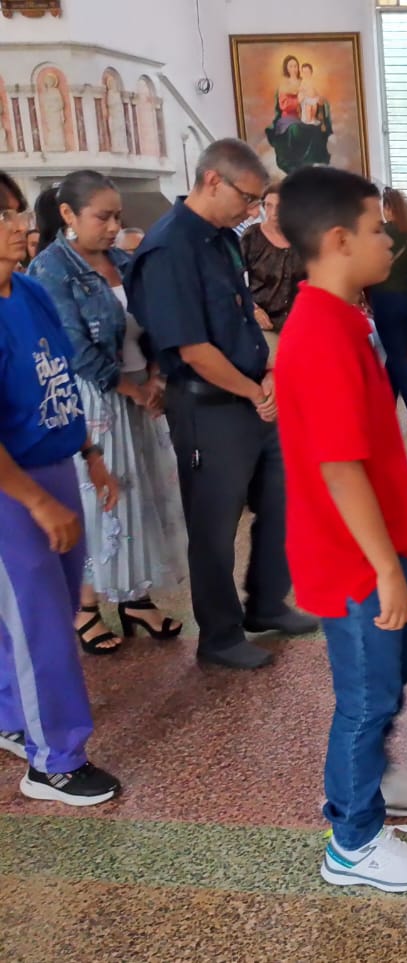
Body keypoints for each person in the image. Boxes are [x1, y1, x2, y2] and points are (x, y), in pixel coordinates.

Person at [275, 165, 407, 894]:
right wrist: (382, 567)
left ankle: (371, 775)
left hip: (380, 544)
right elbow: (340, 468)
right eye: (379, 230)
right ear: (340, 239)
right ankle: (353, 839)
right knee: (366, 695)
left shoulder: (350, 316)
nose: (391, 241)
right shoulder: (318, 331)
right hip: (351, 558)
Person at [126, 138, 318, 671]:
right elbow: (192, 348)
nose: (254, 210)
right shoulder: (170, 247)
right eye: (249, 198)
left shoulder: (220, 238)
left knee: (281, 499)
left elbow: (244, 316)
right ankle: (220, 633)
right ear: (213, 181)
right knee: (214, 523)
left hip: (253, 394)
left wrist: (272, 370)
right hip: (208, 406)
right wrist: (255, 390)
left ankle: (266, 602)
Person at [0, 169, 123, 805]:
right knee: (42, 622)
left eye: (19, 212)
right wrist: (35, 499)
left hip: (53, 468)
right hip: (12, 489)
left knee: (32, 611)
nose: (20, 225)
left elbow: (60, 384)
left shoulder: (28, 292)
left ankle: (17, 721)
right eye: (4, 216)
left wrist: (91, 453)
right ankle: (53, 760)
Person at [28, 172, 184, 655]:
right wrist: (130, 389)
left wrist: (156, 375)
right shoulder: (52, 269)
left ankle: (135, 599)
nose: (114, 226)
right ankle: (86, 606)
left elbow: (153, 319)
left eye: (118, 216)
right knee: (103, 500)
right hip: (94, 399)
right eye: (103, 216)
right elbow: (71, 346)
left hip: (139, 393)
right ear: (69, 216)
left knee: (142, 498)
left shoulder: (122, 259)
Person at [368, 188, 407, 429]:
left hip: (386, 299)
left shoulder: (383, 233)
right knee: (398, 356)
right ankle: (384, 411)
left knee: (395, 355)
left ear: (387, 208)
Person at [241, 183, 306, 338]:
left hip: (301, 322)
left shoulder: (304, 238)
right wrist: (253, 308)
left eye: (280, 206)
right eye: (268, 206)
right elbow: (233, 279)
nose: (274, 213)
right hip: (265, 323)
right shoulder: (252, 236)